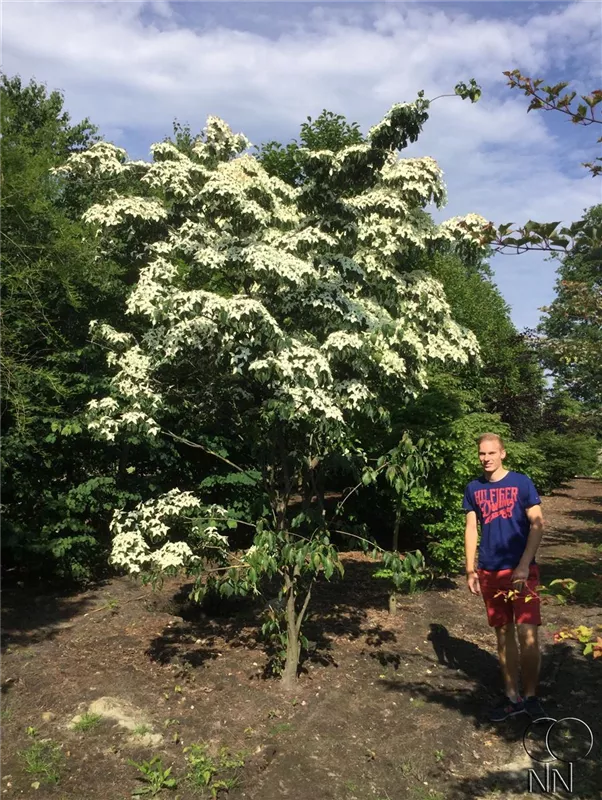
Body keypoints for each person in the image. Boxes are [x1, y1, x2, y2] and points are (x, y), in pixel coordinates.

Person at [463, 432, 546, 722]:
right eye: (482, 454)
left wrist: (524, 565)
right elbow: (472, 528)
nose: (486, 458)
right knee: (503, 633)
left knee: (528, 633)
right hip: (489, 570)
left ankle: (532, 695)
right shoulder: (473, 488)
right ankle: (512, 696)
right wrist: (470, 568)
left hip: (520, 571)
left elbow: (537, 524)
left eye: (491, 453)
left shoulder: (521, 483)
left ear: (503, 454)